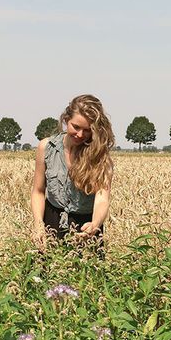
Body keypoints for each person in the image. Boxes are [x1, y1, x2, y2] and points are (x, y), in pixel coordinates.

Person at [31, 94, 115, 245]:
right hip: (51, 221)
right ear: (65, 120)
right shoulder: (46, 148)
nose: (80, 135)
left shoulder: (100, 156)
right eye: (75, 127)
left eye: (87, 130)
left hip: (86, 225)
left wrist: (95, 225)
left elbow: (102, 197)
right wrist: (38, 226)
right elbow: (38, 191)